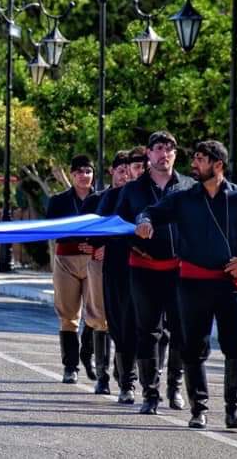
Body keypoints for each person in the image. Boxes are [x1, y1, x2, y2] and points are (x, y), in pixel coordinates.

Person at [135, 140, 237, 430]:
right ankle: (199, 409)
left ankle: (234, 409)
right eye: (194, 157)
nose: (194, 163)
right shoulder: (183, 198)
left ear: (218, 165)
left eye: (201, 159)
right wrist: (144, 221)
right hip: (193, 283)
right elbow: (150, 212)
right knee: (193, 347)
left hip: (230, 283)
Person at [115, 131, 192, 414]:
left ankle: (175, 387)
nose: (164, 154)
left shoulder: (188, 187)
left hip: (180, 269)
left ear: (175, 154)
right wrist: (136, 240)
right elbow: (118, 227)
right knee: (148, 331)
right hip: (144, 268)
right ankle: (150, 393)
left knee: (181, 330)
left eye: (169, 149)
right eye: (158, 148)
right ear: (148, 154)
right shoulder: (133, 190)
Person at [95, 147, 146, 403]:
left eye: (138, 167)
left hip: (149, 270)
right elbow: (98, 228)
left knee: (152, 328)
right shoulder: (112, 197)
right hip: (117, 269)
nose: (132, 173)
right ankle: (125, 381)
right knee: (121, 326)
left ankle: (154, 382)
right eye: (127, 168)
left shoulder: (158, 196)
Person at [46, 155, 103, 385]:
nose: (84, 176)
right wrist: (76, 236)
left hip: (93, 261)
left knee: (96, 313)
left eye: (88, 171)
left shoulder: (102, 199)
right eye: (79, 172)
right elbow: (50, 228)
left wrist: (94, 245)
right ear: (71, 175)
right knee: (68, 316)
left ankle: (88, 355)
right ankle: (70, 366)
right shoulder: (59, 201)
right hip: (66, 260)